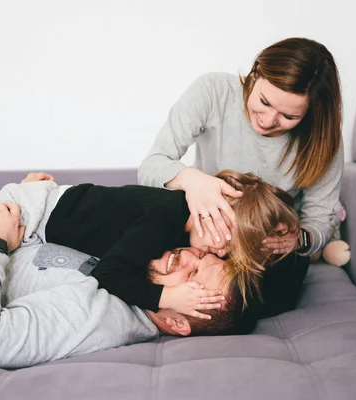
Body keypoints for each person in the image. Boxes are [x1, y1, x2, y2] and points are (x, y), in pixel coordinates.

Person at [0, 169, 301, 320]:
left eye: (232, 255)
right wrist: (165, 297)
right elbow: (110, 273)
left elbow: (271, 292)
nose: (220, 254)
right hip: (33, 209)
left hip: (41, 225)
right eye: (226, 241)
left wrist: (302, 242)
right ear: (210, 205)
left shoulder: (187, 237)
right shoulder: (165, 218)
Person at [0, 202, 253, 368]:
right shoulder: (123, 279)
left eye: (192, 278)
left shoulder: (100, 315)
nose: (186, 257)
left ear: (175, 322)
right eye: (201, 258)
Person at [138, 37, 343, 315]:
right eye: (264, 101)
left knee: (281, 282)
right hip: (205, 227)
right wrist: (192, 180)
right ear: (255, 73)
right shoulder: (214, 91)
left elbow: (320, 217)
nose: (268, 121)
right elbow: (151, 166)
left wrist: (302, 240)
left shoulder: (322, 139)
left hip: (262, 245)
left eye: (288, 117)